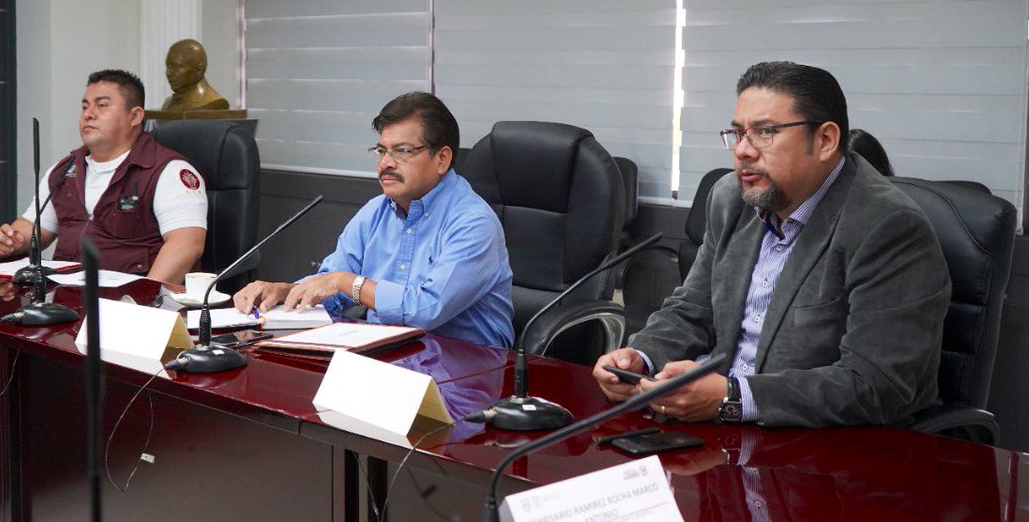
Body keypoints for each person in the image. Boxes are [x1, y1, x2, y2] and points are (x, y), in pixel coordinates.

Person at [593, 61, 950, 427]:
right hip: (719, 431)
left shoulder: (886, 225)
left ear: (825, 140)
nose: (742, 151)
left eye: (765, 132)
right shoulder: (731, 199)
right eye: (738, 133)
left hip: (825, 444)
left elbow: (874, 384)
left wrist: (732, 397)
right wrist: (640, 358)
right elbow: (692, 311)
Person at [232, 92, 515, 348]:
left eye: (402, 151)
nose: (385, 163)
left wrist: (346, 283)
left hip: (466, 368)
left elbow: (424, 310)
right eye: (381, 151)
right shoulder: (375, 212)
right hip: (386, 357)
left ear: (441, 159)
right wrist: (285, 292)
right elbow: (331, 286)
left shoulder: (473, 223)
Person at [0, 70, 208, 284]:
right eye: (85, 107)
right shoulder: (65, 170)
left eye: (102, 105)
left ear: (135, 116)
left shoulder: (168, 171)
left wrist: (142, 298)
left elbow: (186, 245)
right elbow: (33, 227)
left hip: (131, 300)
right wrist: (11, 240)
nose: (89, 114)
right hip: (66, 296)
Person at [159, 39, 230, 111]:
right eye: (168, 66)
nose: (168, 73)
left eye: (176, 67)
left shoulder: (213, 102)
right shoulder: (168, 103)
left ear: (199, 69)